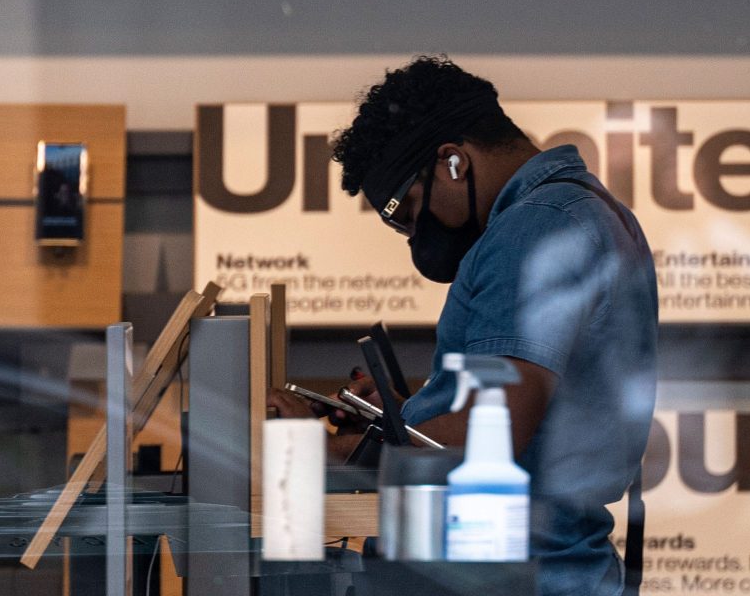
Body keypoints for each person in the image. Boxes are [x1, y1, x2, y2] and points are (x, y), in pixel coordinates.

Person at [269, 55, 658, 596]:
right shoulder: (584, 209)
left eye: (406, 212)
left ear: (453, 162)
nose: (411, 238)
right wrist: (402, 415)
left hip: (514, 571)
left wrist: (321, 450)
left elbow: (490, 437)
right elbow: (526, 408)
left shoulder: (535, 229)